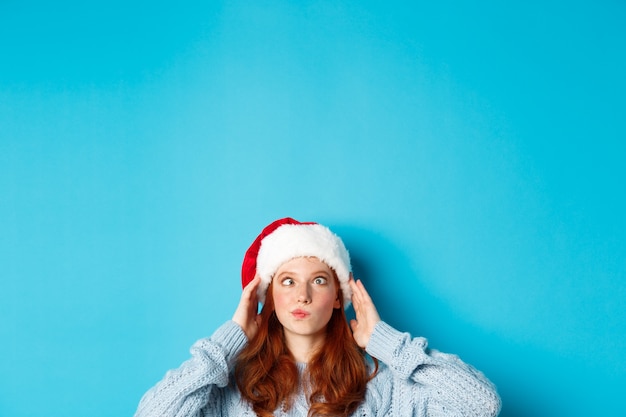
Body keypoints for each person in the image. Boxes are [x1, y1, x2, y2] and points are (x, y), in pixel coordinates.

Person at [134, 218, 501, 417]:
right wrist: (226, 342)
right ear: (268, 297)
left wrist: (387, 344)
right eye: (288, 281)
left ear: (340, 297)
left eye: (319, 281)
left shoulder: (380, 388)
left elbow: (481, 405)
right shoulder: (231, 391)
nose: (302, 295)